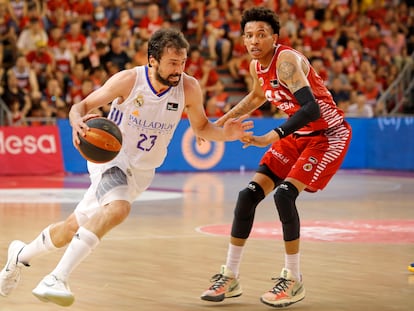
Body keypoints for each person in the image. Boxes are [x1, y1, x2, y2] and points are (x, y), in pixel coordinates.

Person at [0, 28, 253, 307]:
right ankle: (57, 277)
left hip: (142, 172)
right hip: (111, 158)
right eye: (172, 63)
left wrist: (225, 134)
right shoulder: (129, 80)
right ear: (152, 60)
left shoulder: (189, 88)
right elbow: (80, 106)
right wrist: (76, 122)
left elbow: (202, 127)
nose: (178, 70)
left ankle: (20, 255)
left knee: (71, 228)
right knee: (119, 209)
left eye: (182, 63)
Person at [201, 7, 351, 308]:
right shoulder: (258, 66)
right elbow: (257, 97)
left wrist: (274, 135)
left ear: (274, 37)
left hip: (327, 135)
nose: (253, 41)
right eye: (248, 36)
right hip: (297, 135)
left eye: (261, 34)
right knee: (247, 196)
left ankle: (293, 280)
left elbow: (312, 110)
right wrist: (220, 123)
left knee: (284, 196)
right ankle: (229, 276)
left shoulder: (286, 61)